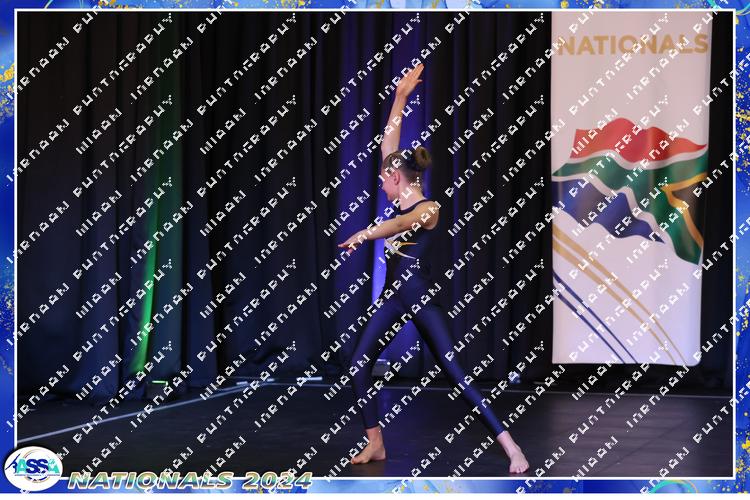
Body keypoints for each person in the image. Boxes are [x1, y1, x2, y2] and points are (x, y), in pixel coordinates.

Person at [337, 64, 529, 474]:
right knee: (357, 365)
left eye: (384, 178)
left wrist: (365, 233)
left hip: (420, 298)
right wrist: (400, 98)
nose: (380, 183)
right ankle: (376, 443)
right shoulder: (400, 188)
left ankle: (512, 447)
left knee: (456, 373)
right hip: (393, 298)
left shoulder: (429, 209)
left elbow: (400, 225)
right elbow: (389, 141)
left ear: (396, 178)